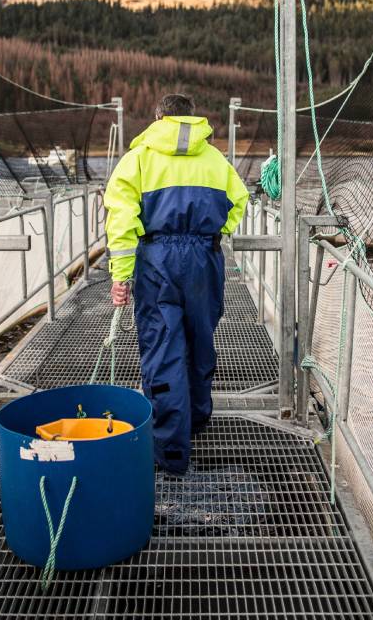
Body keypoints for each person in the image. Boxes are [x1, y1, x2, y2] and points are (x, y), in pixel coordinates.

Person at [104, 93, 249, 473]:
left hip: (157, 261)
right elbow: (239, 201)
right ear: (192, 119)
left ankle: (170, 448)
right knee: (200, 338)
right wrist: (215, 233)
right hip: (204, 258)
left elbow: (120, 220)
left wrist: (121, 276)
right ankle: (197, 420)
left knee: (163, 344)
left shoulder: (137, 160)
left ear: (158, 119)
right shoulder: (216, 160)